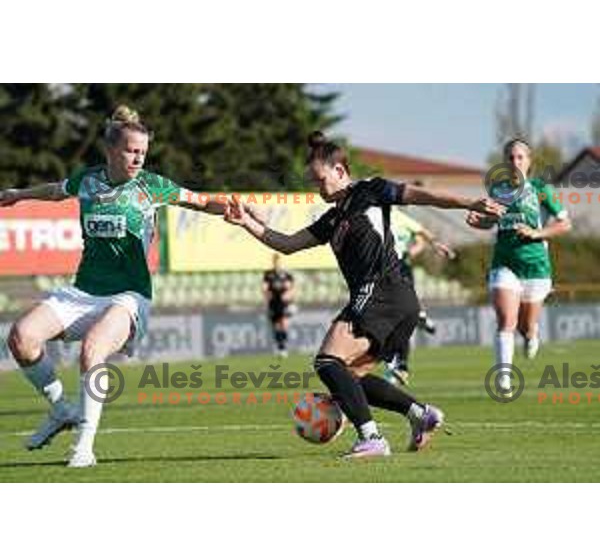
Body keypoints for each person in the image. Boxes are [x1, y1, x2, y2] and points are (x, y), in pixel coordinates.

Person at [225, 131, 504, 458]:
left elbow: (420, 195)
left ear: (341, 171)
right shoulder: (332, 219)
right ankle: (420, 413)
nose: (318, 189)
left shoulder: (370, 191)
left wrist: (469, 202)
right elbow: (286, 243)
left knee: (328, 362)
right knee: (351, 377)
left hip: (384, 292)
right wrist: (246, 222)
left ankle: (371, 438)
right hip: (395, 301)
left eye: (321, 180)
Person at [0, 105, 228, 468]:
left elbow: (199, 201)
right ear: (110, 150)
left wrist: (230, 207)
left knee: (93, 348)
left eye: (142, 151)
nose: (138, 158)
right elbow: (56, 191)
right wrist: (18, 193)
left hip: (129, 295)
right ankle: (62, 410)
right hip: (83, 291)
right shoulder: (87, 180)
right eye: (130, 150)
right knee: (21, 338)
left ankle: (84, 448)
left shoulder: (152, 186)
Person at [467, 137, 570, 398]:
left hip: (536, 267)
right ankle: (504, 378)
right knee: (506, 321)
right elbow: (489, 223)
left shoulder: (541, 188)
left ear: (529, 161)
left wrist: (536, 233)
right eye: (510, 158)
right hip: (505, 263)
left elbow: (564, 224)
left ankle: (532, 333)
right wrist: (476, 221)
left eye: (520, 157)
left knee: (525, 326)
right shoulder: (499, 190)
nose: (515, 162)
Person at [384, 209, 456, 386]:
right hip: (380, 271)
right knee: (394, 319)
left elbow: (421, 235)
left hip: (398, 267)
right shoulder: (367, 215)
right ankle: (419, 316)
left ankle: (399, 367)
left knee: (398, 317)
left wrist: (434, 244)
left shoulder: (398, 216)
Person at [263, 253, 295, 358]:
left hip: (284, 303)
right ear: (273, 262)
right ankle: (280, 346)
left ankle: (283, 347)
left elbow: (292, 288)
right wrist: (267, 297)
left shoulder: (286, 274)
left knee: (284, 324)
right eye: (275, 260)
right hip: (273, 302)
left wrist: (288, 295)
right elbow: (264, 288)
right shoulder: (268, 274)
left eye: (278, 260)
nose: (277, 262)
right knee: (276, 326)